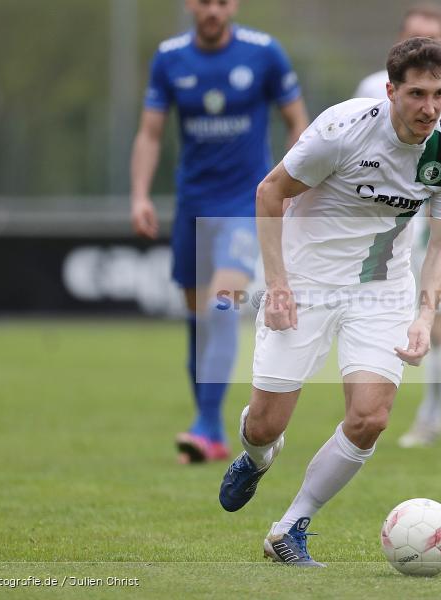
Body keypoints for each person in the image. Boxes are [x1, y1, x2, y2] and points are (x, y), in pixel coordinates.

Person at [218, 37, 441, 566]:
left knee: (371, 417)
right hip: (305, 280)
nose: (430, 108)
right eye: (418, 94)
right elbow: (270, 192)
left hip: (382, 290)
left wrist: (424, 315)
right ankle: (257, 457)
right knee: (266, 425)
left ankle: (290, 527)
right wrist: (278, 284)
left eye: (440, 94)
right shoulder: (344, 130)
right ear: (391, 90)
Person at [129, 0, 308, 464]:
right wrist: (140, 195)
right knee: (197, 317)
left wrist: (292, 188)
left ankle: (206, 425)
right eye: (205, 1)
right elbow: (150, 133)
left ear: (235, 5)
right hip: (192, 202)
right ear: (191, 5)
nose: (213, 10)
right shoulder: (170, 58)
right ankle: (209, 426)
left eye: (222, 2)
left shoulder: (264, 52)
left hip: (243, 203)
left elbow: (298, 124)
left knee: (222, 301)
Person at [354, 3, 441, 448]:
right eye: (416, 36)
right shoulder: (369, 89)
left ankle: (432, 416)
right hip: (379, 226)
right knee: (361, 312)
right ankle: (359, 415)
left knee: (435, 319)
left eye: (434, 38)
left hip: (438, 223)